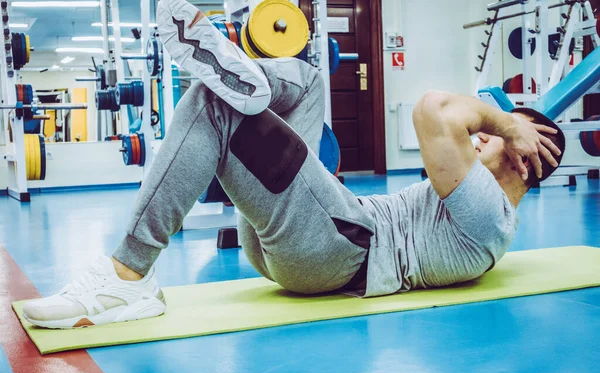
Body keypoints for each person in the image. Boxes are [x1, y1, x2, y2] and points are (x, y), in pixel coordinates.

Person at [22, 0, 564, 329]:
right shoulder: (486, 208)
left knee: (215, 103)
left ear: (521, 154)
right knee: (306, 84)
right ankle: (257, 85)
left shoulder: (488, 215)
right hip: (328, 231)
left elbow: (433, 110)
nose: (483, 129)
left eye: (495, 130)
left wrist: (511, 122)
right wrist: (507, 123)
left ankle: (126, 275)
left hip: (335, 253)